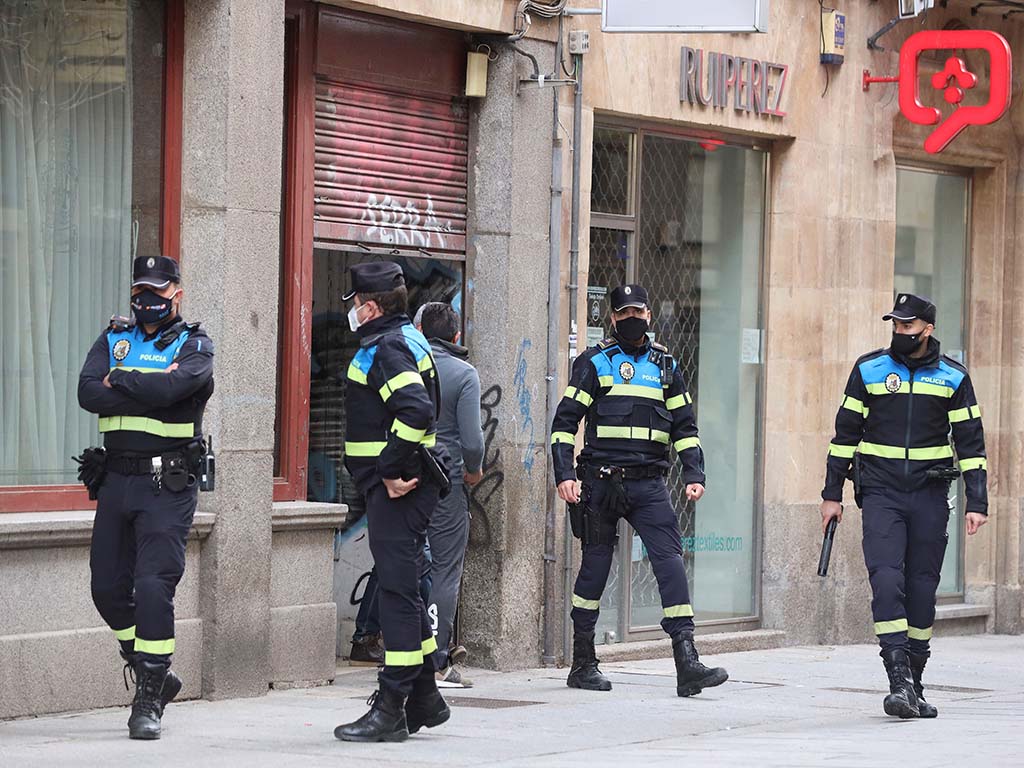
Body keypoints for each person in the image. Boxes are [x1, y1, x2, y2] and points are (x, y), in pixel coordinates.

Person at [550, 284, 728, 698]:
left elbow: (685, 426)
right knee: (595, 568)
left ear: (648, 315)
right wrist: (564, 475)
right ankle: (583, 662)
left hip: (649, 484)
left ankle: (687, 662)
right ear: (613, 318)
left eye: (638, 311)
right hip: (601, 482)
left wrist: (694, 473)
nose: (632, 318)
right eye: (624, 312)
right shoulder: (594, 362)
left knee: (670, 562)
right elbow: (564, 422)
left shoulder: (666, 365)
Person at [820, 293, 988, 719]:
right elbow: (844, 436)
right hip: (881, 493)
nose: (899, 332)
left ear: (927, 329)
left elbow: (971, 444)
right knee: (887, 580)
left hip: (930, 495)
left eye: (907, 326)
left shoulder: (953, 377)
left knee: (922, 588)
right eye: (895, 325)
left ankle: (915, 680)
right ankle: (897, 678)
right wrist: (831, 494)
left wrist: (977, 501)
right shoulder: (869, 369)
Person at [77, 255, 214, 740]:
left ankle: (149, 695)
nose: (147, 299)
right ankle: (148, 663)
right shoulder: (113, 338)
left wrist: (122, 379)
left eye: (157, 291)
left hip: (166, 484)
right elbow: (88, 392)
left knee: (154, 586)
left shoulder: (194, 343)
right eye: (141, 291)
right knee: (106, 588)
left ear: (177, 293)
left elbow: (180, 386)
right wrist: (153, 387)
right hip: (116, 480)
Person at [334, 262, 450, 743]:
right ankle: (425, 697)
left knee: (398, 596)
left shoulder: (388, 347)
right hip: (401, 487)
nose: (353, 311)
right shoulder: (403, 339)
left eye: (356, 303)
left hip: (398, 490)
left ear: (370, 307)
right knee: (406, 591)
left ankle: (390, 708)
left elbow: (416, 410)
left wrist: (388, 467)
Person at [415, 302, 484, 688]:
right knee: (445, 569)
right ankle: (437, 661)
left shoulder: (405, 367)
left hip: (403, 478)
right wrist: (473, 470)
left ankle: (397, 650)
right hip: (445, 481)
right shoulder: (464, 374)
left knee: (402, 564)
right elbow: (472, 441)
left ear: (421, 332)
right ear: (456, 336)